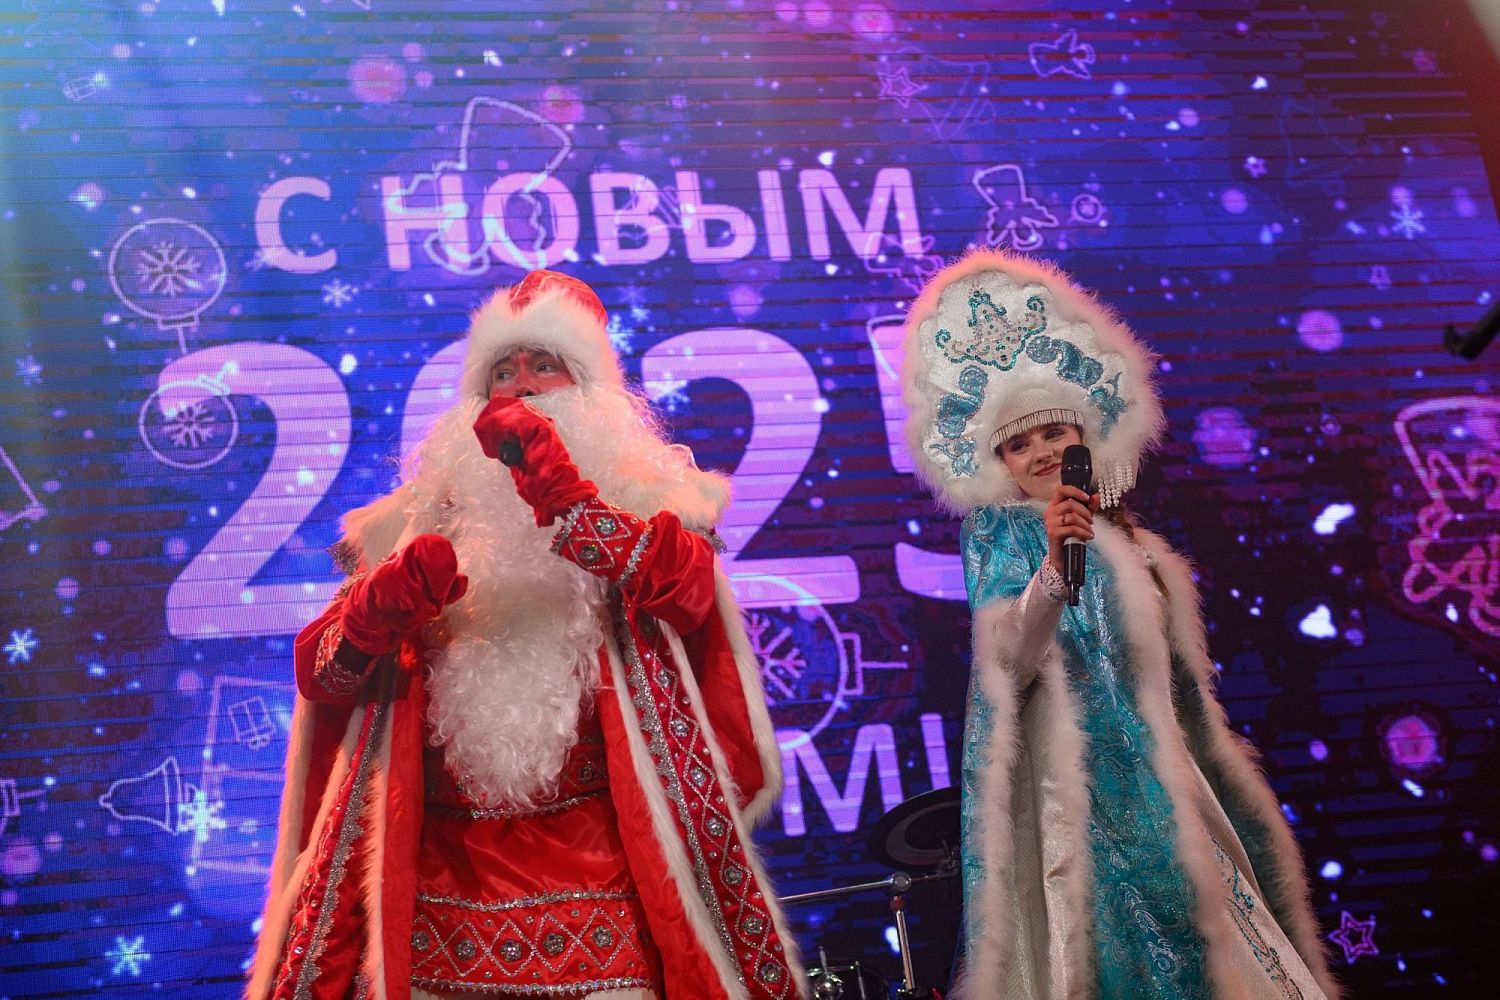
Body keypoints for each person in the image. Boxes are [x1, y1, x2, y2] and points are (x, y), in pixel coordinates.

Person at [248, 270, 803, 1000]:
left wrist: (566, 497)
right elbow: (324, 675)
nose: (523, 387)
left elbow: (687, 592)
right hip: (440, 882)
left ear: (592, 390)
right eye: (503, 372)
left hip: (605, 870)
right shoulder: (411, 523)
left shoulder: (655, 505)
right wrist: (375, 609)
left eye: (546, 365)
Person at [900, 250, 1341, 999]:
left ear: (1084, 438)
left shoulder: (1135, 542)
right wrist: (1053, 565)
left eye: (1053, 433)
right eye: (1018, 443)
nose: (1041, 452)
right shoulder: (1000, 532)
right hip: (1076, 791)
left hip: (1162, 780)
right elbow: (1007, 656)